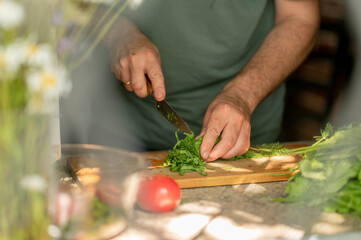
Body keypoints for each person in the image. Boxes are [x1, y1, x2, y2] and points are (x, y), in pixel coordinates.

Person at [60, 0, 320, 161]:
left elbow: (300, 17)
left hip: (241, 143)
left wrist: (242, 94)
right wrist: (118, 33)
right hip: (120, 134)